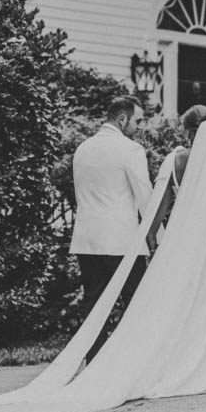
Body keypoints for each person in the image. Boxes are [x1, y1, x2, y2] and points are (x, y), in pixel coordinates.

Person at [0, 107, 206, 412]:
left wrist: (154, 236)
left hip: (180, 236)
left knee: (174, 299)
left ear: (188, 129)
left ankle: (130, 360)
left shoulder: (174, 159)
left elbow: (158, 204)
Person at [70, 96, 153, 360]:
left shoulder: (82, 149)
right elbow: (145, 198)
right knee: (136, 303)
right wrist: (158, 239)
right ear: (122, 119)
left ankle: (94, 366)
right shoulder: (130, 150)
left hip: (87, 239)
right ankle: (131, 364)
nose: (139, 127)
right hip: (122, 241)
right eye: (137, 121)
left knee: (94, 305)